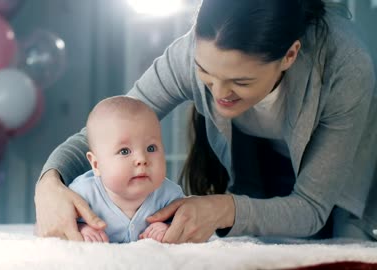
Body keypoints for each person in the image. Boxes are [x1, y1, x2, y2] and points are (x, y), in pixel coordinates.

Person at [35, 0, 377, 243]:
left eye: (240, 82)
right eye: (205, 74)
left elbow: (312, 208)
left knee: (343, 246)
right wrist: (48, 182)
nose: (219, 93)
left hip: (334, 191)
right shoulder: (188, 54)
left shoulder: (344, 67)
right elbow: (105, 131)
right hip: (252, 172)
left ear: (289, 55)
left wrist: (221, 209)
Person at [67, 96, 185, 243]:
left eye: (151, 148)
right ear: (96, 164)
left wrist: (167, 226)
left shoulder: (170, 196)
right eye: (124, 151)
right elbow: (55, 223)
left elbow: (186, 226)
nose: (142, 159)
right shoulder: (82, 194)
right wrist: (81, 228)